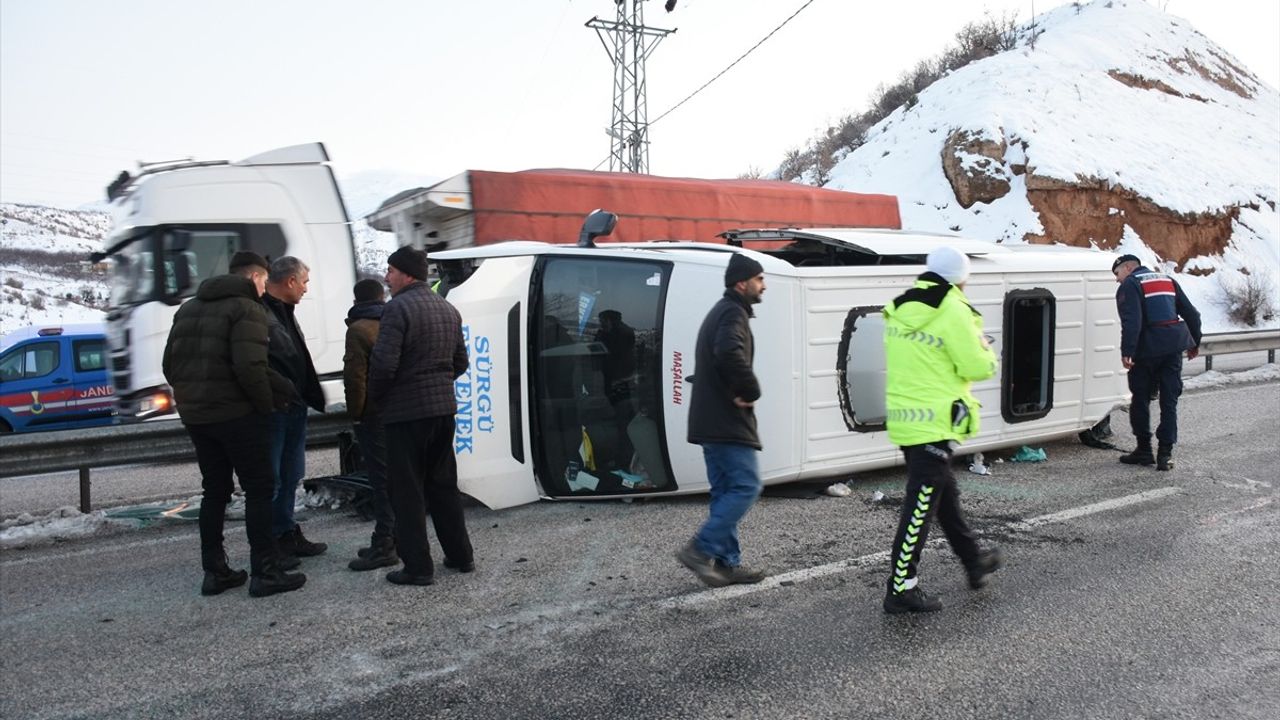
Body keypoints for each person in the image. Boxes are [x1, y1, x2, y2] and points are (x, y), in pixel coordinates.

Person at [162, 251, 306, 598]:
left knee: (214, 492)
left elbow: (169, 365)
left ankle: (215, 572)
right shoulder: (248, 309)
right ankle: (266, 572)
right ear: (256, 278)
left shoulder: (188, 308)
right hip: (237, 416)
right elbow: (249, 368)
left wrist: (194, 397)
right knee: (259, 490)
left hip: (198, 417)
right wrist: (266, 406)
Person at [881, 246, 1003, 614]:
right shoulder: (953, 308)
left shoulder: (900, 306)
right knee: (919, 507)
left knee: (943, 497)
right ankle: (900, 588)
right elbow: (976, 366)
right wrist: (986, 350)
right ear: (961, 278)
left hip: (906, 417)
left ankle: (973, 561)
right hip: (934, 420)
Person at [367, 246, 474, 586]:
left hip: (406, 413)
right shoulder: (447, 308)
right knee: (443, 486)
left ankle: (417, 567)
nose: (386, 278)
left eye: (391, 271)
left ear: (407, 274)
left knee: (407, 491)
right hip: (443, 410)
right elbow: (461, 363)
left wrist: (378, 399)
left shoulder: (397, 309)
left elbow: (383, 365)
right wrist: (437, 384)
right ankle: (461, 556)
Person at [675, 252, 769, 587]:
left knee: (725, 490)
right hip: (726, 422)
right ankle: (700, 550)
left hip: (711, 422)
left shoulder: (725, 310)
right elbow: (728, 351)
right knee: (746, 486)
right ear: (741, 283)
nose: (764, 286)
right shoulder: (732, 313)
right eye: (759, 279)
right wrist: (750, 388)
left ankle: (727, 564)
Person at [262, 256, 328, 564]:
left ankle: (286, 533)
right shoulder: (260, 312)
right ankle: (272, 544)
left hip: (294, 405)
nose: (305, 289)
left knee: (291, 476)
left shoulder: (284, 312)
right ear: (290, 281)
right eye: (304, 282)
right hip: (275, 408)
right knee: (273, 479)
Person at [1112, 254, 1202, 471]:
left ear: (1127, 268)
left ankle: (1143, 451)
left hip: (1147, 351)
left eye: (1116, 274)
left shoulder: (1131, 284)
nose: (1117, 280)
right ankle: (1165, 455)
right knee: (1169, 401)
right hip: (1173, 349)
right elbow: (1191, 313)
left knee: (1141, 399)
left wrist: (1127, 351)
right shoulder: (1166, 279)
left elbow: (1132, 320)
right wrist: (1195, 342)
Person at [342, 278, 398, 571]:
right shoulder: (393, 320)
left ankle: (385, 543)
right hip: (398, 410)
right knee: (396, 477)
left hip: (373, 413)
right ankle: (392, 537)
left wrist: (357, 414)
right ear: (382, 297)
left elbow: (355, 378)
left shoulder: (359, 329)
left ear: (356, 301)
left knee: (380, 479)